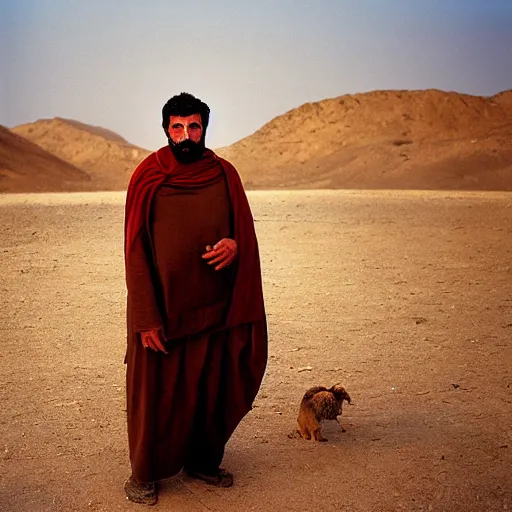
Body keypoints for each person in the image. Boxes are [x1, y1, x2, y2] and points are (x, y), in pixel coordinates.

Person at [123, 92, 268, 505]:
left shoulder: (224, 174)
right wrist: (145, 316)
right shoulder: (148, 176)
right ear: (166, 128)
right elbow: (135, 248)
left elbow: (243, 231)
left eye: (194, 126)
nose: (186, 135)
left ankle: (202, 462)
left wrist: (233, 245)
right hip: (163, 313)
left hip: (215, 308)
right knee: (155, 397)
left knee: (210, 389)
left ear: (205, 127)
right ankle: (145, 474)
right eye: (177, 127)